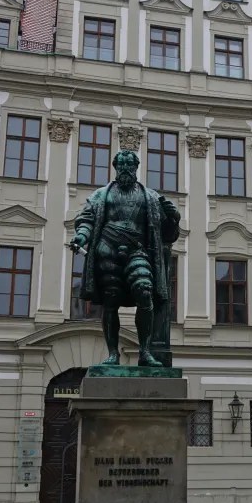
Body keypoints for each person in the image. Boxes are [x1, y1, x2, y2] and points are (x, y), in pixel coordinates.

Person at [70, 149, 180, 366]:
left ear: (136, 168)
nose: (125, 169)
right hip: (107, 249)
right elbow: (87, 219)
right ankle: (113, 354)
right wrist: (81, 236)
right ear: (115, 167)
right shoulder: (101, 195)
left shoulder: (151, 197)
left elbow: (168, 236)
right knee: (111, 301)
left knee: (145, 292)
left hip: (137, 250)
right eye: (121, 165)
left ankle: (145, 351)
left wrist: (173, 218)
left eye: (130, 165)